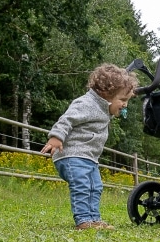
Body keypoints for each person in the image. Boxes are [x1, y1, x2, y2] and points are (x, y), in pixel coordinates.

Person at [41, 63, 138, 230]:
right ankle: (83, 221)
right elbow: (67, 119)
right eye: (122, 100)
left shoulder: (103, 108)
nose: (125, 105)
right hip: (72, 155)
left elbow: (111, 109)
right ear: (106, 93)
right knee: (83, 186)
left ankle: (94, 219)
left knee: (96, 187)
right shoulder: (86, 103)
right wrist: (56, 137)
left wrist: (118, 105)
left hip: (89, 158)